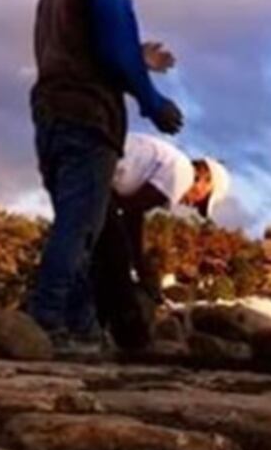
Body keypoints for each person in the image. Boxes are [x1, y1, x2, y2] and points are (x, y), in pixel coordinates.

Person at [28, 0, 183, 350]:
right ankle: (47, 321)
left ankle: (79, 328)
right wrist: (154, 103)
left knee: (81, 225)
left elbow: (85, 47)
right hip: (88, 116)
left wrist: (141, 59)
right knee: (79, 227)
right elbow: (113, 58)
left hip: (51, 112)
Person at [92, 133, 228, 350]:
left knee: (103, 256)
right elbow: (129, 213)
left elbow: (131, 218)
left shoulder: (169, 164)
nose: (193, 206)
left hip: (90, 164)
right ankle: (130, 340)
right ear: (204, 179)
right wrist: (144, 275)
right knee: (115, 261)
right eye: (202, 200)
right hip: (95, 169)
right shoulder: (180, 173)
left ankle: (92, 327)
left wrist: (141, 267)